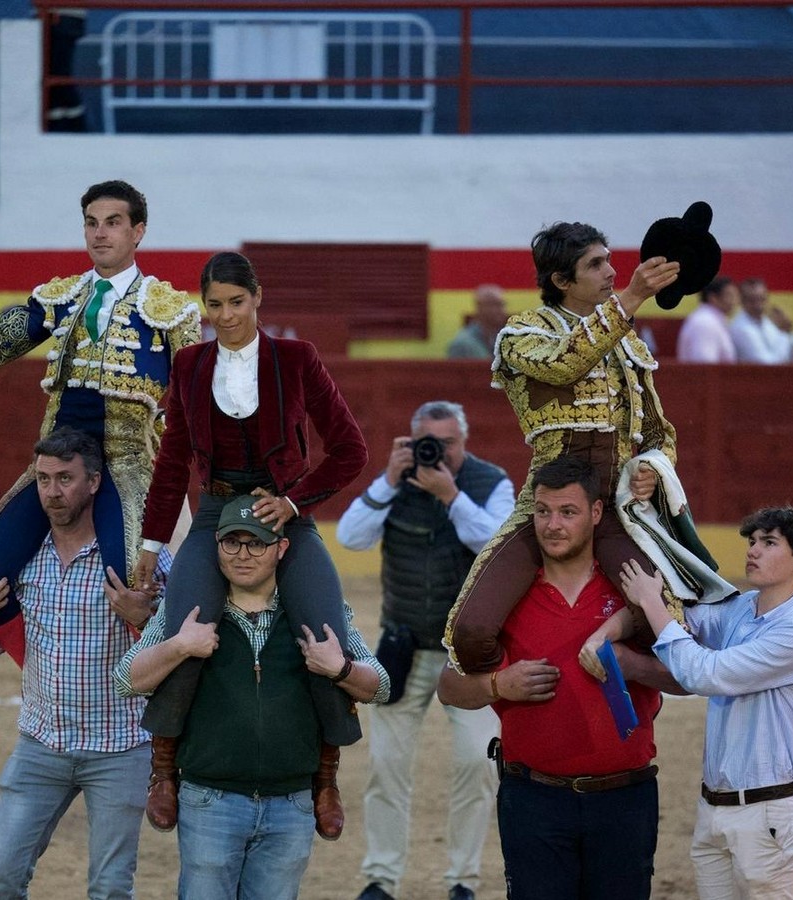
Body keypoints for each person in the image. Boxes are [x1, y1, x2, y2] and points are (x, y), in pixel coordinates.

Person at [132, 250, 369, 838]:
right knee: (186, 619)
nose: (226, 316)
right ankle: (163, 768)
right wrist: (150, 542)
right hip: (214, 511)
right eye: (214, 305)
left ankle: (325, 774)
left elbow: (350, 449)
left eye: (236, 303)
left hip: (284, 511)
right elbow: (171, 463)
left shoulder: (296, 358)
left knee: (321, 623)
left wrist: (293, 504)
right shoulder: (188, 365)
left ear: (257, 298)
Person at [0, 178, 200, 663]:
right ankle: (53, 673)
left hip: (128, 466)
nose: (100, 234)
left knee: (135, 591)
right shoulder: (59, 298)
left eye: (113, 223)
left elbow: (197, 401)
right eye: (92, 223)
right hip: (56, 465)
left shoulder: (171, 311)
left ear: (138, 232)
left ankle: (162, 711)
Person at [113, 494, 389, 900]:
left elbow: (380, 685)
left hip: (292, 802)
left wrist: (340, 668)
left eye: (256, 543)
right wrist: (180, 646)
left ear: (281, 548)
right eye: (232, 542)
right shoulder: (189, 607)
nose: (242, 555)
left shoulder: (317, 610)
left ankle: (328, 782)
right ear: (217, 545)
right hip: (210, 800)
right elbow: (126, 679)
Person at [444, 220, 682, 676]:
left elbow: (656, 430)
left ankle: (608, 661)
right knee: (471, 633)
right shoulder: (522, 332)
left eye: (609, 259)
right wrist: (630, 299)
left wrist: (654, 465)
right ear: (560, 280)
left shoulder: (626, 342)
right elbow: (562, 365)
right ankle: (519, 686)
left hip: (617, 510)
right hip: (547, 507)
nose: (612, 272)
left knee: (667, 621)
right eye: (595, 264)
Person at [437, 457, 664, 900]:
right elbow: (448, 687)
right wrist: (498, 685)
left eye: (567, 512)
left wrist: (628, 663)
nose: (552, 525)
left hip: (624, 798)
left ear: (597, 513)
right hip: (533, 799)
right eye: (542, 511)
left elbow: (686, 677)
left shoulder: (631, 591)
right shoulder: (506, 597)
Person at [0, 426, 170, 898]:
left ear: (94, 482)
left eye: (66, 479)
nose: (53, 492)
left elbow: (181, 642)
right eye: (44, 479)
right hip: (41, 744)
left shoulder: (137, 557)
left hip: (120, 748)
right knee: (1, 879)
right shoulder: (21, 558)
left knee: (111, 889)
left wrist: (147, 617)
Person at [337, 400, 515, 900]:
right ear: (411, 443)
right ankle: (381, 878)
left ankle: (463, 880)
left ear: (465, 441)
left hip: (470, 654)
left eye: (447, 443)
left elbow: (496, 546)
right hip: (405, 645)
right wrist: (389, 480)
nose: (438, 452)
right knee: (386, 768)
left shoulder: (491, 482)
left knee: (477, 765)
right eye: (426, 443)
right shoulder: (396, 485)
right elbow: (350, 537)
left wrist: (452, 495)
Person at [611, 506, 793, 899]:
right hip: (715, 808)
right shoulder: (743, 608)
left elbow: (705, 674)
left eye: (768, 543)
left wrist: (651, 602)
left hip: (767, 816)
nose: (753, 551)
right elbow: (689, 622)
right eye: (752, 541)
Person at [730, 277, 793, 364]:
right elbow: (765, 364)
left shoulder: (769, 323)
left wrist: (789, 332)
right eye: (752, 300)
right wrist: (784, 333)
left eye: (761, 299)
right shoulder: (740, 328)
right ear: (741, 301)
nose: (757, 305)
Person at [676, 276, 739, 363]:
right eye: (729, 295)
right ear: (713, 298)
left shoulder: (712, 320)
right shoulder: (705, 323)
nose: (734, 301)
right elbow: (705, 367)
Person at [446, 284, 509, 359]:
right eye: (494, 305)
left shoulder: (506, 339)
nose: (500, 310)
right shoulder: (462, 344)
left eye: (502, 305)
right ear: (479, 307)